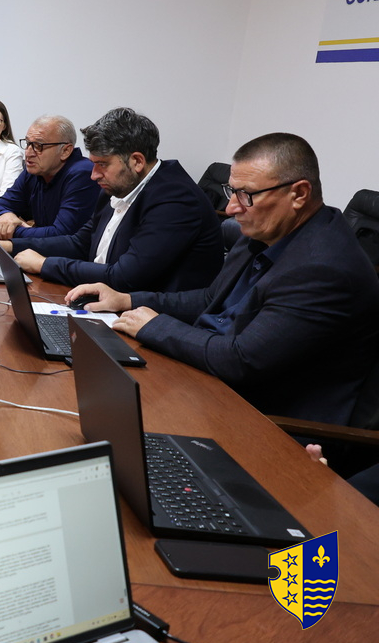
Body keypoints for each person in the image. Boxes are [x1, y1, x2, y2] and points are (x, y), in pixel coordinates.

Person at [66, 133, 379, 426]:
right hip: (208, 379)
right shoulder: (265, 231)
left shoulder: (323, 269)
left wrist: (155, 326)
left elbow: (242, 360)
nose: (231, 208)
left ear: (298, 193)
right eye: (232, 191)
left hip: (265, 420)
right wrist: (127, 300)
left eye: (246, 195)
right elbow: (208, 300)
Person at [0, 107, 223, 293]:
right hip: (106, 300)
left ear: (137, 161)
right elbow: (79, 243)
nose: (94, 174)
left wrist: (44, 264)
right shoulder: (118, 185)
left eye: (102, 164)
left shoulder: (175, 199)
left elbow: (124, 277)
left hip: (156, 321)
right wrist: (8, 246)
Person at [0, 114, 103, 239]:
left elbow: (61, 234)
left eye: (38, 146)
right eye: (28, 143)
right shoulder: (34, 171)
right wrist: (6, 216)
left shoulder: (83, 174)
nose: (28, 153)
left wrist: (10, 230)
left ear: (65, 151)